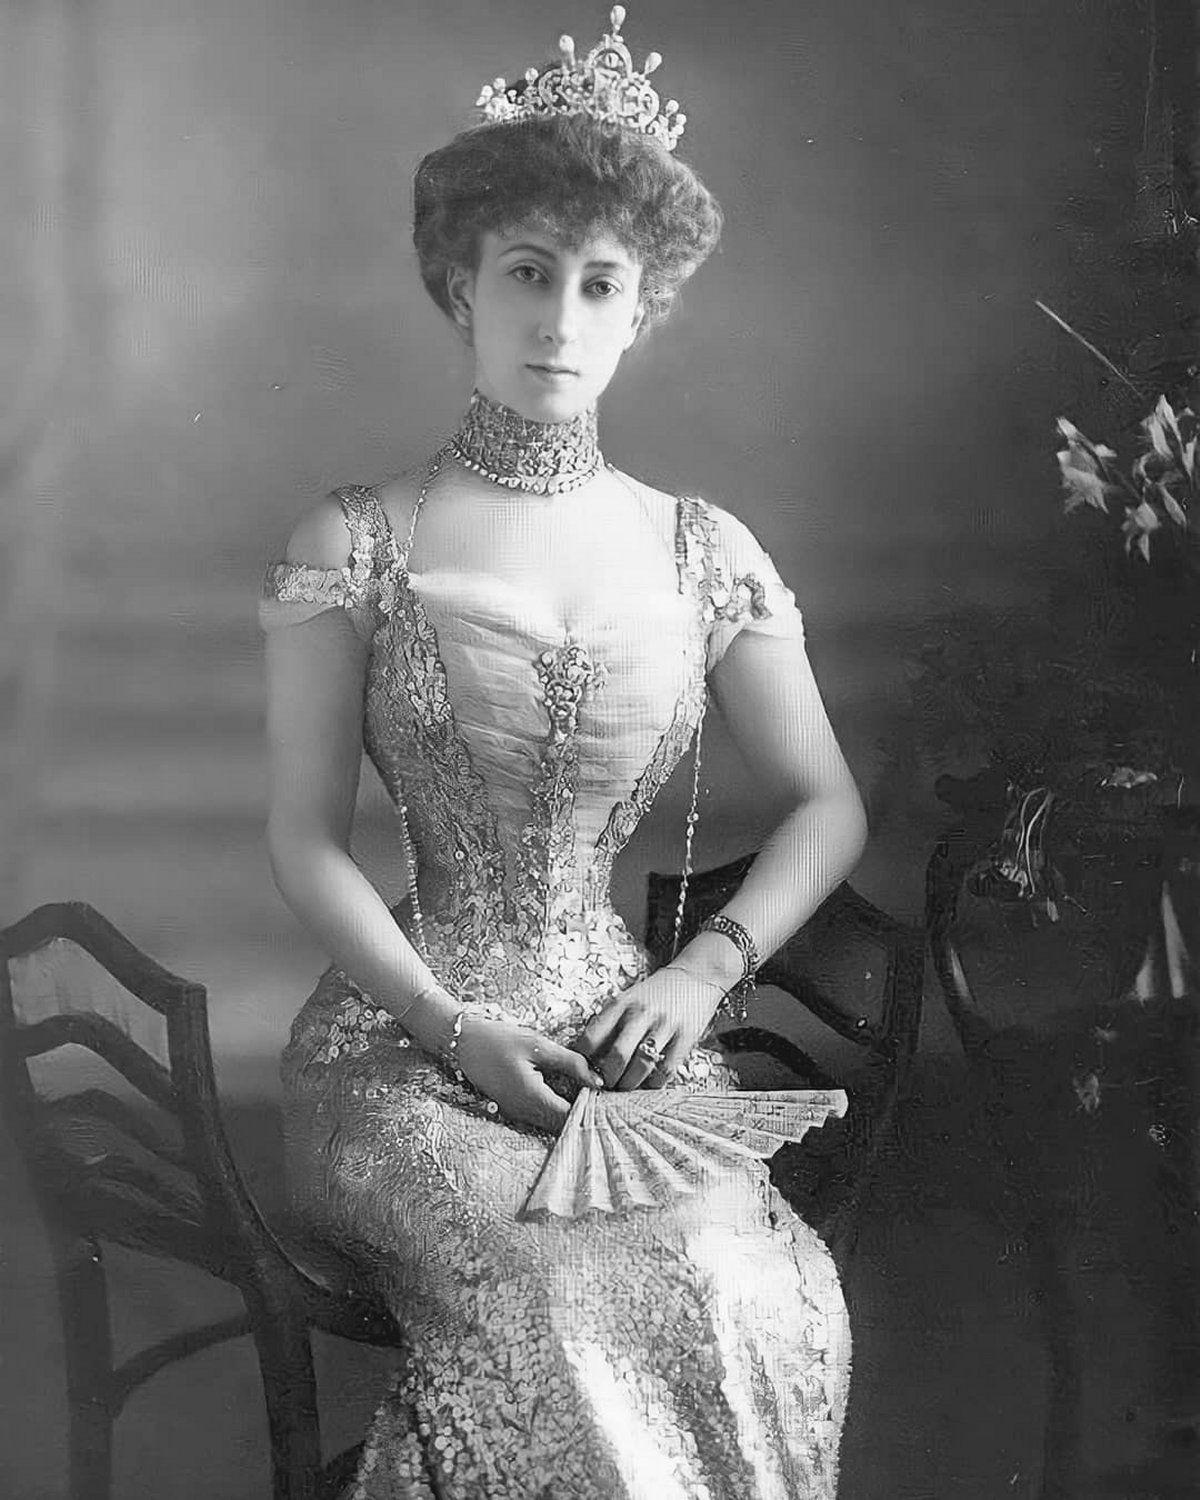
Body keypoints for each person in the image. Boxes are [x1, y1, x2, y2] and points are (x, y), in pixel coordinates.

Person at [260, 8, 868, 1496]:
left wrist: (701, 971)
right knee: (553, 1283)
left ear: (643, 309)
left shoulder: (704, 549)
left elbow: (828, 805)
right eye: (527, 274)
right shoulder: (356, 539)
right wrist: (451, 1027)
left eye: (602, 285)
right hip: (403, 1049)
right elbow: (301, 839)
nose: (560, 321)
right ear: (458, 286)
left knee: (743, 1287)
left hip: (621, 1044)